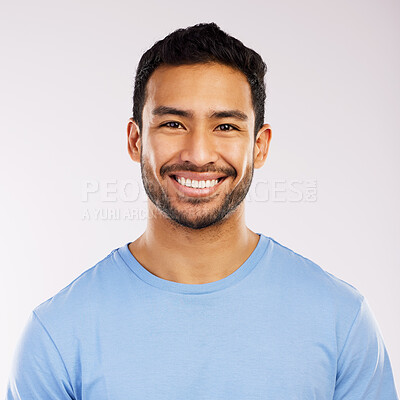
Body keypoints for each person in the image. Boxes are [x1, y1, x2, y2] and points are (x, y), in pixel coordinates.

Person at [6, 22, 398, 400]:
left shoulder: (340, 319)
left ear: (259, 147)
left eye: (226, 126)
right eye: (174, 123)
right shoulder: (57, 333)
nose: (198, 154)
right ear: (135, 140)